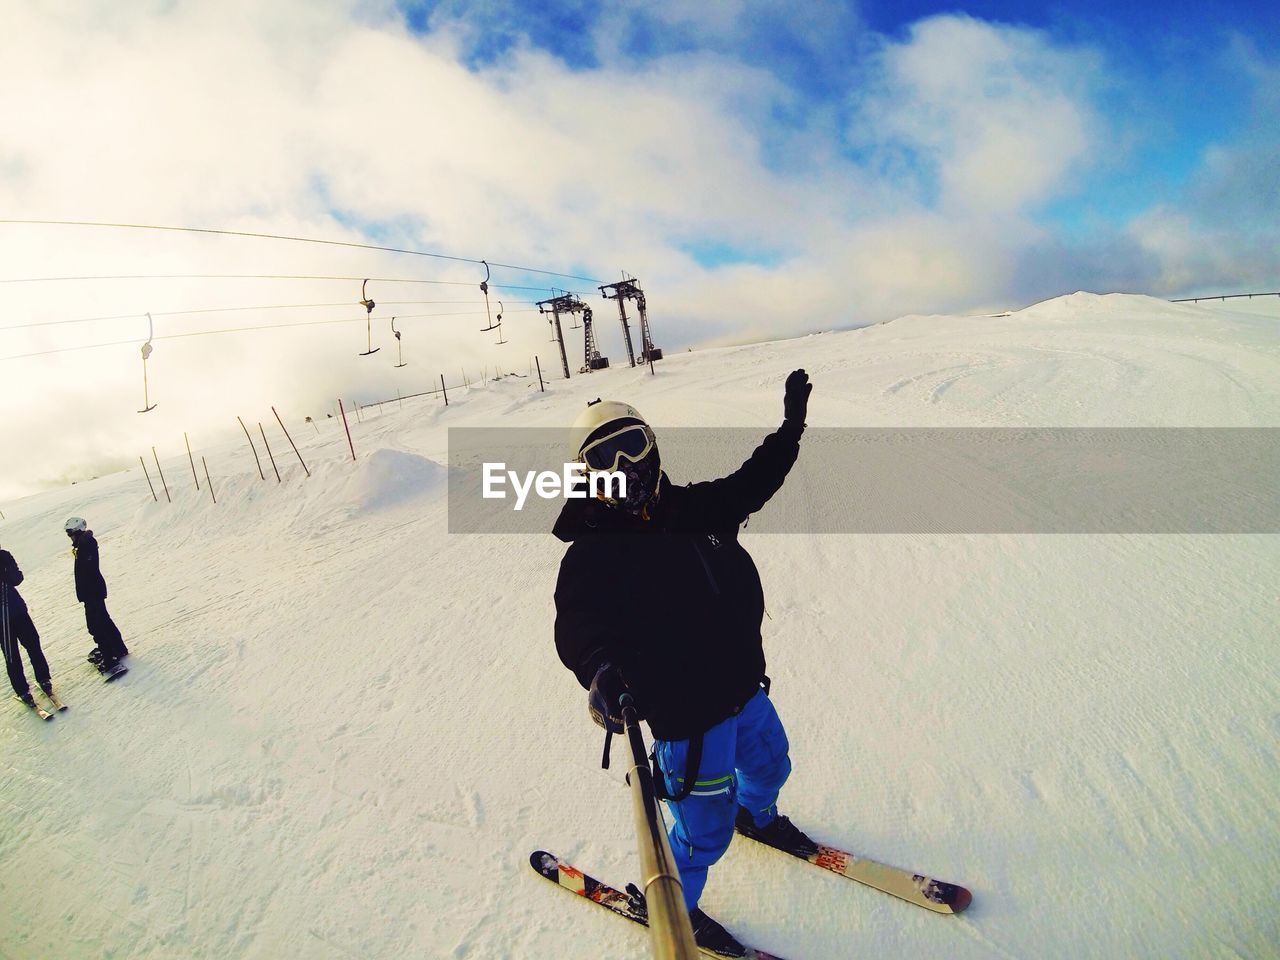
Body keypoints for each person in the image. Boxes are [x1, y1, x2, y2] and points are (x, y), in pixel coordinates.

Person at [552, 370, 816, 955]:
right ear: (587, 477)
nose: (625, 464)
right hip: (686, 719)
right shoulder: (593, 555)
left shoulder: (694, 508)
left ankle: (759, 814)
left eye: (633, 445)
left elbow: (754, 482)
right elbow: (576, 624)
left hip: (744, 689)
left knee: (771, 764)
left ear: (653, 445)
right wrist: (600, 671)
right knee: (701, 831)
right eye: (604, 457)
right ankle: (673, 902)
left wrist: (790, 430)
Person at [64, 517, 129, 670]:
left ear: (78, 531)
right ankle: (118, 648)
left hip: (92, 591)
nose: (70, 537)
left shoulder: (86, 544)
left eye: (71, 533)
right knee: (103, 620)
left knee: (96, 625)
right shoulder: (82, 544)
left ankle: (109, 656)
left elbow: (88, 568)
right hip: (91, 591)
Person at [1, 545, 54, 707]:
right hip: (4, 619)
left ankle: (42, 680)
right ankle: (25, 688)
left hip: (15, 612)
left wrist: (8, 573)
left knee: (31, 646)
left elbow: (17, 578)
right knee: (14, 655)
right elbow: (16, 578)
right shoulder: (3, 555)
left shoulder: (3, 555)